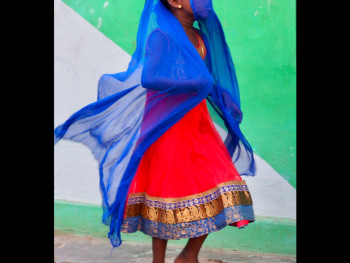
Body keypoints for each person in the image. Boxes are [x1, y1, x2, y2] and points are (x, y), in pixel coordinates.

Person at [54, 0, 255, 262]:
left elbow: (208, 81)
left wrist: (225, 101)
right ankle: (157, 259)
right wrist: (190, 82)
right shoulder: (162, 36)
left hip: (199, 126)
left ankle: (189, 254)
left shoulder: (200, 37)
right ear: (174, 2)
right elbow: (150, 78)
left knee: (225, 182)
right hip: (166, 126)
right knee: (164, 190)